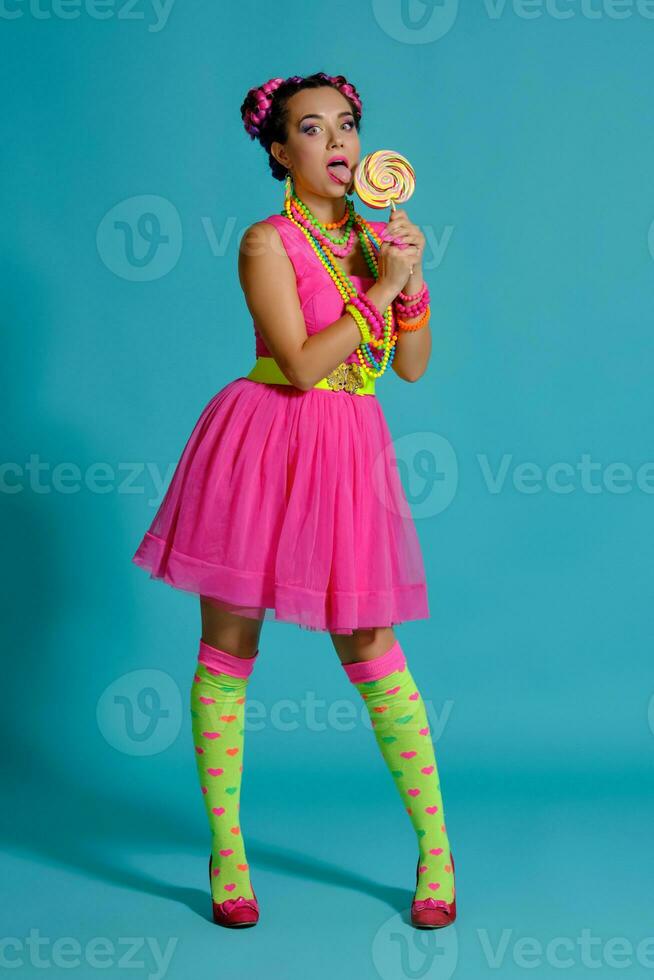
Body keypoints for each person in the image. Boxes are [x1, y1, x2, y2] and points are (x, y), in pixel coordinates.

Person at [131, 71, 456, 930]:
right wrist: (382, 291)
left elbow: (413, 367)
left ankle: (436, 851)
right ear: (279, 150)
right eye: (313, 129)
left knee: (373, 647)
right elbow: (305, 364)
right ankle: (227, 852)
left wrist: (409, 276)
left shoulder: (379, 241)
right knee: (228, 644)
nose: (339, 142)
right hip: (263, 442)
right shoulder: (264, 243)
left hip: (349, 454)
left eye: (347, 125)